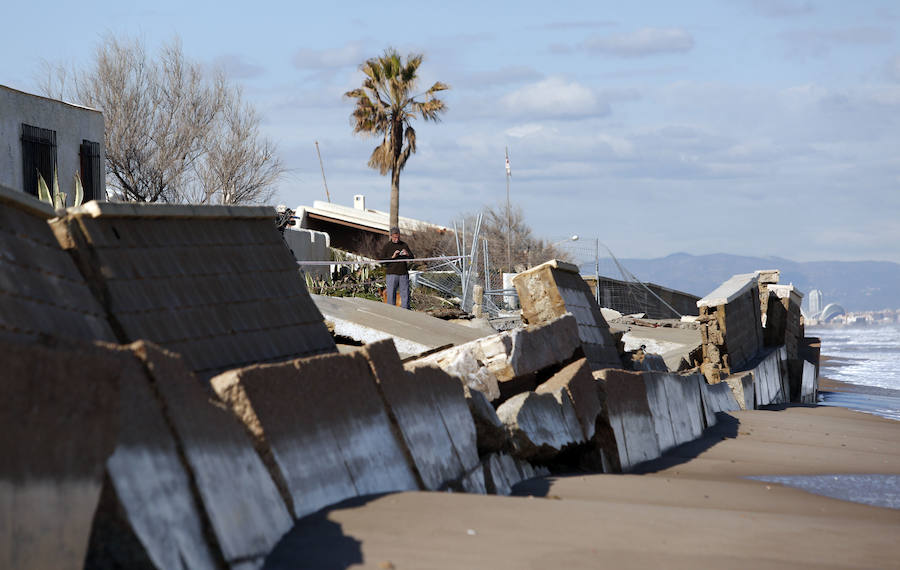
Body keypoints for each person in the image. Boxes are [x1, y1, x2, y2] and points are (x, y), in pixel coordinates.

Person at [381, 226, 414, 309]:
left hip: (403, 274)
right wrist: (392, 257)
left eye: (398, 236)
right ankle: (391, 312)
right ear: (391, 236)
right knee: (391, 295)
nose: (397, 238)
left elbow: (412, 258)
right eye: (395, 237)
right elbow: (382, 260)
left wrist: (407, 254)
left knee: (405, 294)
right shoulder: (387, 246)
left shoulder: (404, 245)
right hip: (391, 274)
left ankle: (405, 312)